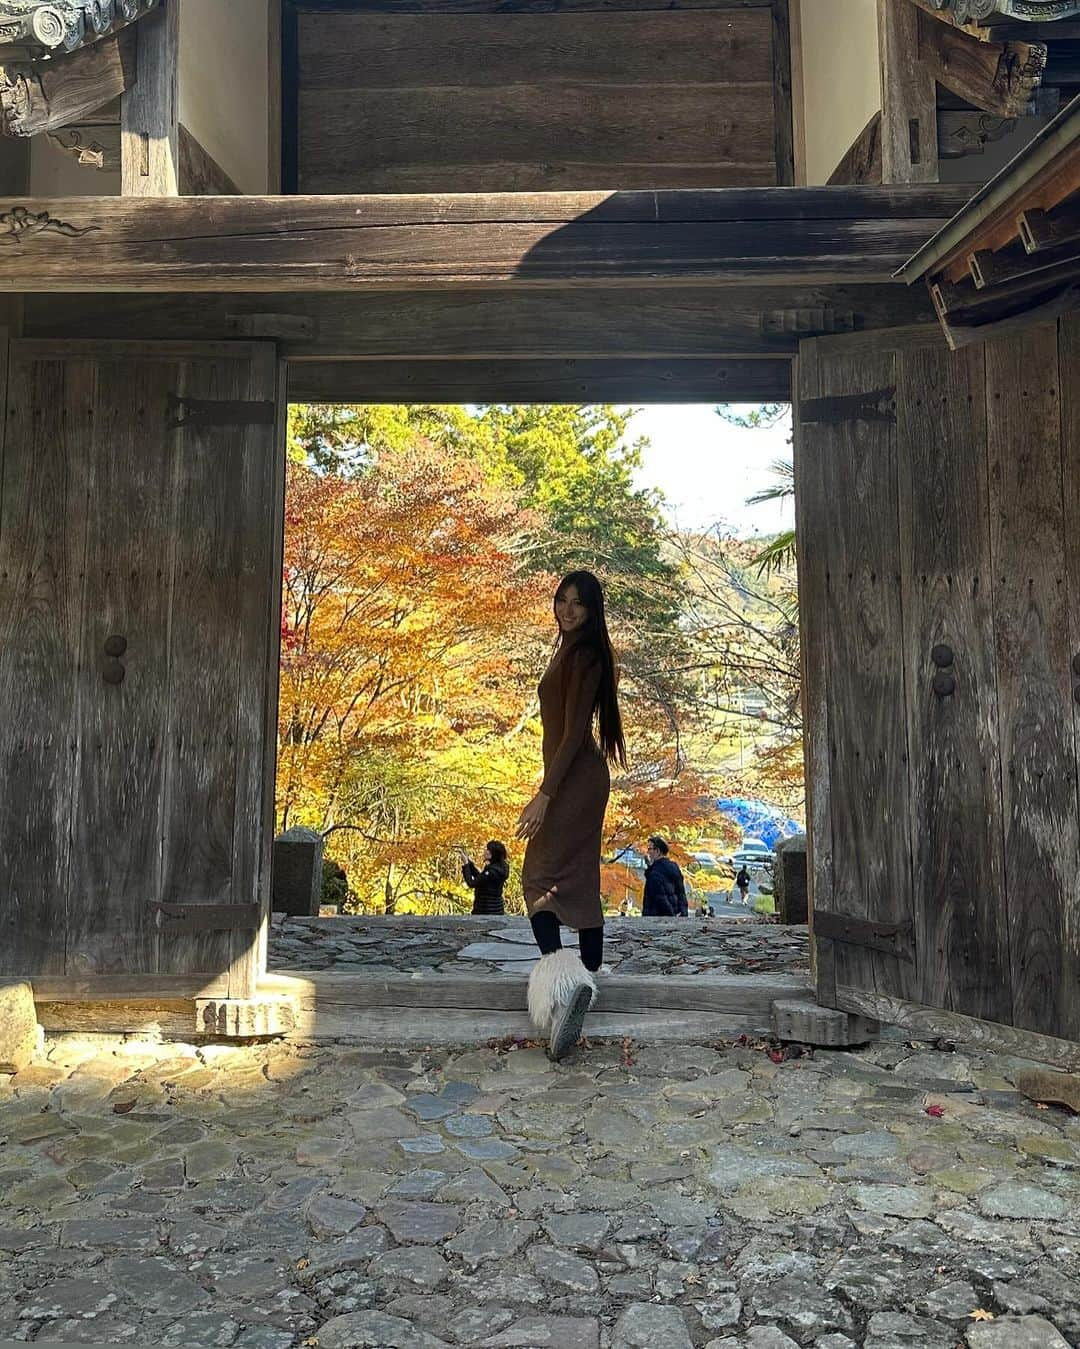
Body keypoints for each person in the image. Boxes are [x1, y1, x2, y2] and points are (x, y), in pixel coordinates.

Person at [515, 570, 626, 1060]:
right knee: (575, 879)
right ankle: (588, 977)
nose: (568, 609)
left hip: (574, 783)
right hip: (575, 780)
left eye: (578, 603)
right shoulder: (569, 649)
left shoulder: (585, 655)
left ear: (592, 609)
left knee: (539, 877)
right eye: (562, 600)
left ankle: (566, 988)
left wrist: (545, 793)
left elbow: (575, 734)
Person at [459, 841, 509, 917]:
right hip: (497, 910)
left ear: (492, 854)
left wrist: (466, 864)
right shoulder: (499, 868)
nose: (485, 851)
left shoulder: (491, 871)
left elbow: (472, 883)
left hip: (485, 910)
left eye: (487, 849)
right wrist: (469, 863)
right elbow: (481, 879)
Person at [642, 835, 688, 918]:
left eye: (650, 849)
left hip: (656, 919)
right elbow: (681, 893)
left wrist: (671, 916)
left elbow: (660, 898)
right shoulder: (674, 867)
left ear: (658, 851)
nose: (648, 852)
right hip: (677, 914)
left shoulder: (655, 872)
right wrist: (683, 913)